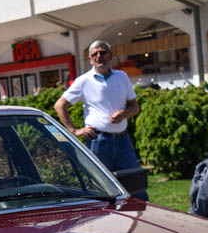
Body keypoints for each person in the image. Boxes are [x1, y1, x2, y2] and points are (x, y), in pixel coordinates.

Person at [54, 39, 144, 198]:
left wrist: (123, 114)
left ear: (110, 56)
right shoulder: (84, 81)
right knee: (102, 189)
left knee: (136, 185)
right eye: (94, 54)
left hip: (123, 141)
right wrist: (74, 131)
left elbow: (135, 107)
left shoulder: (122, 77)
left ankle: (143, 213)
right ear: (90, 59)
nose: (98, 57)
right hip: (98, 142)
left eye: (102, 53)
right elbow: (60, 105)